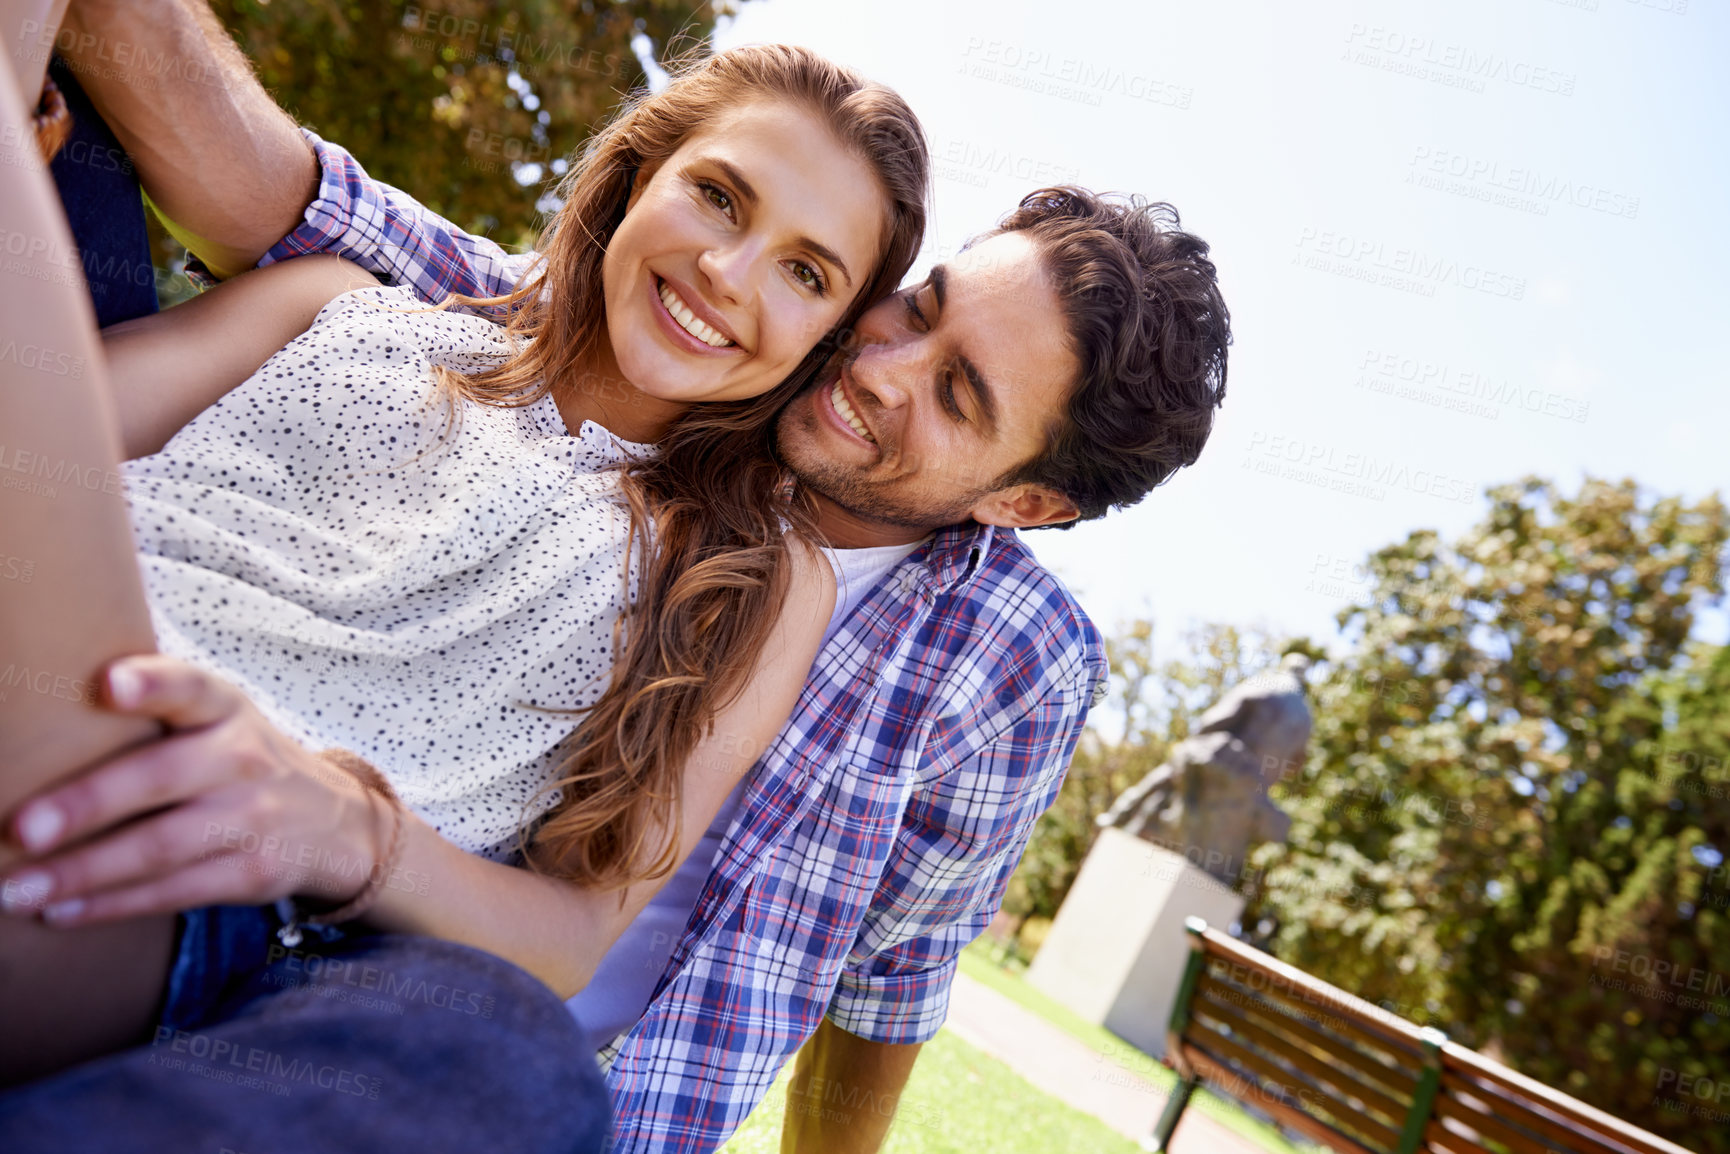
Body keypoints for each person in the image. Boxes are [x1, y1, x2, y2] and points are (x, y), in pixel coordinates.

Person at [5, 4, 1232, 1153]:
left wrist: (347, 827)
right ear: (641, 169)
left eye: (810, 275)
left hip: (280, 912)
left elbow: (880, 980)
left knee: (517, 1058)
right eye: (914, 309)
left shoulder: (795, 596)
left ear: (1020, 499)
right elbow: (289, 245)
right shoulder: (366, 306)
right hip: (63, 642)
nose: (883, 365)